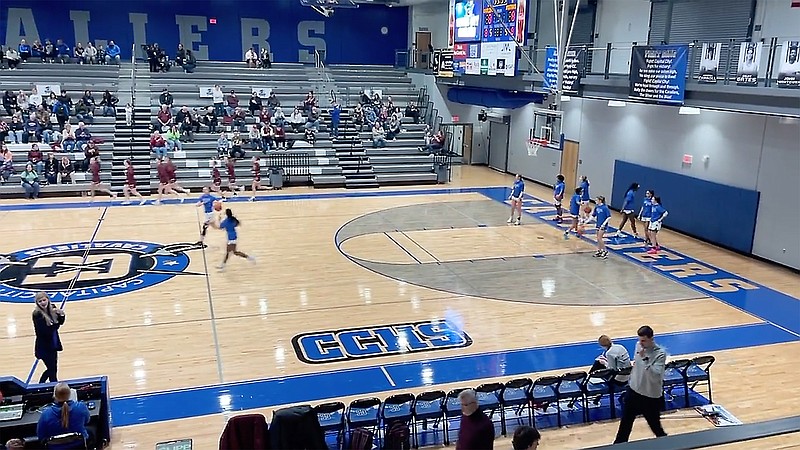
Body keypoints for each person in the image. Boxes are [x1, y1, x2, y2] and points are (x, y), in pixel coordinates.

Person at [613, 325, 668, 444]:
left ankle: (669, 445)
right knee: (625, 425)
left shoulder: (660, 354)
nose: (641, 343)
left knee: (656, 428)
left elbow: (656, 375)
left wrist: (645, 359)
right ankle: (618, 446)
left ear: (651, 339)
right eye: (640, 340)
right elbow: (636, 366)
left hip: (650, 397)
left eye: (644, 340)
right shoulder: (638, 346)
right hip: (633, 392)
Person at [36, 382, 91, 449]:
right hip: (79, 446)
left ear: (54, 396)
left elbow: (41, 436)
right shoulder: (80, 407)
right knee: (91, 431)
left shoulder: (46, 414)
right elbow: (87, 421)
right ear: (70, 394)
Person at [32, 292, 65, 383]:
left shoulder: (52, 307)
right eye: (40, 301)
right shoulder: (37, 314)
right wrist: (55, 323)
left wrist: (61, 315)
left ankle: (47, 385)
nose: (43, 302)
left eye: (44, 300)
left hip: (53, 344)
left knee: (53, 368)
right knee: (51, 369)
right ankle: (43, 385)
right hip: (44, 347)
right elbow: (44, 332)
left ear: (48, 299)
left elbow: (60, 322)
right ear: (37, 303)